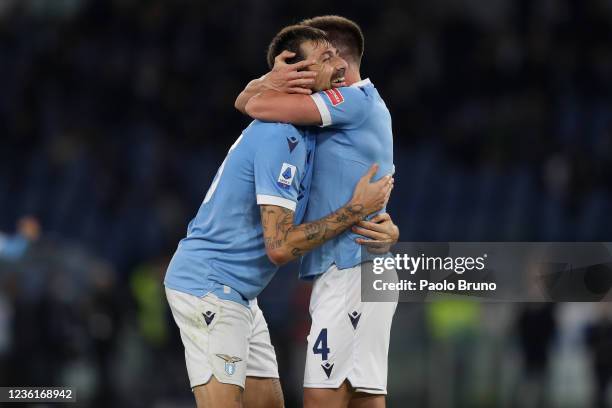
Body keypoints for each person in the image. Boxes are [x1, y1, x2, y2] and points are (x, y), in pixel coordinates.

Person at [164, 25, 394, 408]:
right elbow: (280, 246)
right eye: (325, 58)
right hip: (209, 284)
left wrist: (385, 225)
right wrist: (357, 210)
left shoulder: (308, 132)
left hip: (241, 294)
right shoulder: (281, 136)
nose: (339, 64)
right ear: (296, 72)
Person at [236, 15, 397, 408]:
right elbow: (245, 101)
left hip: (348, 270)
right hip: (361, 267)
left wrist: (274, 80)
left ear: (339, 62)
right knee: (364, 396)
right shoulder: (364, 108)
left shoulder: (353, 100)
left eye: (318, 60)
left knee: (321, 397)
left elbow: (252, 104)